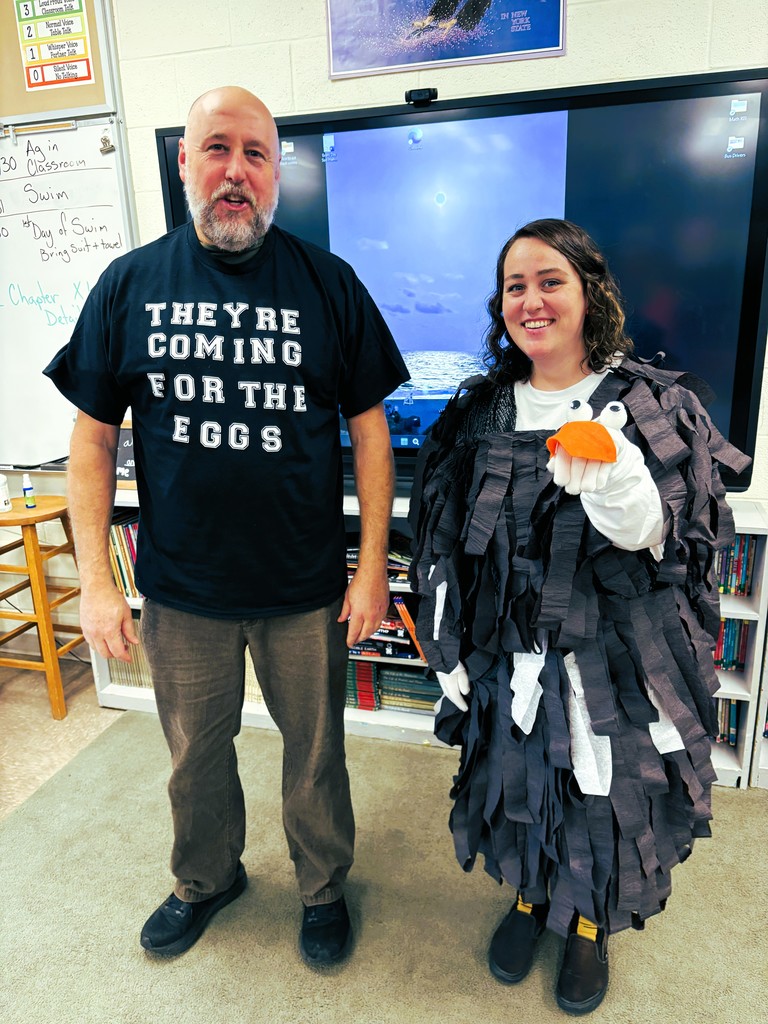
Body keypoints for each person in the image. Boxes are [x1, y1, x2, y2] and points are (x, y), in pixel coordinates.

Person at [44, 86, 409, 966]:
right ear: (185, 164)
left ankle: (322, 888)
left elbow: (370, 433)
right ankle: (207, 880)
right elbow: (91, 439)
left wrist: (370, 572)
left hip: (304, 588)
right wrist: (97, 580)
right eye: (217, 148)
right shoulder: (129, 284)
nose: (236, 171)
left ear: (276, 171)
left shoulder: (329, 283)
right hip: (184, 592)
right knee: (193, 762)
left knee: (316, 761)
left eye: (254, 153)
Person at [408, 219, 749, 1014]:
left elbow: (660, 534)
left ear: (590, 292)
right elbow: (451, 535)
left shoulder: (647, 403)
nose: (531, 300)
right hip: (510, 653)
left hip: (614, 657)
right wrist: (450, 638)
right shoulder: (483, 411)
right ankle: (531, 898)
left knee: (599, 787)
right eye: (515, 286)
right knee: (518, 776)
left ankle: (590, 921)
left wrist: (616, 476)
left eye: (550, 281)